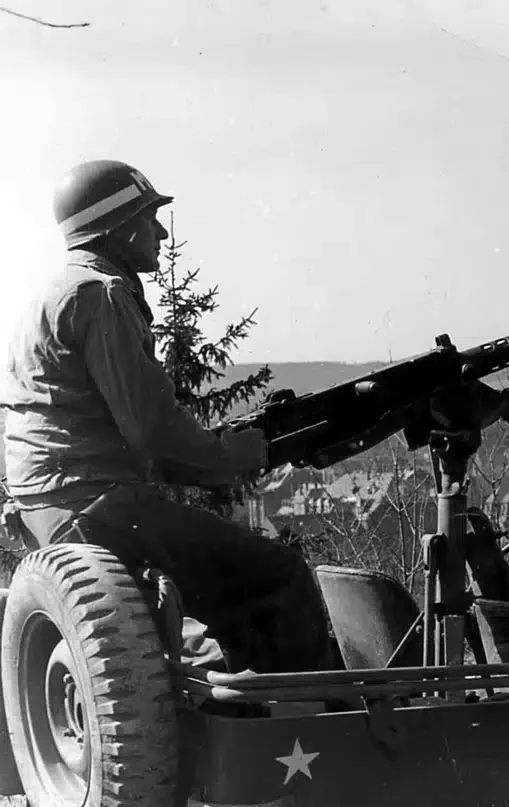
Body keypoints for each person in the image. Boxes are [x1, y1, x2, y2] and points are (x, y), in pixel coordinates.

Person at [1, 159, 332, 673]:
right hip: (97, 505)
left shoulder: (54, 293)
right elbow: (151, 431)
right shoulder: (103, 294)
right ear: (117, 228)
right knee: (279, 574)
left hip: (56, 508)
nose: (158, 231)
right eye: (148, 217)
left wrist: (211, 445)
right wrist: (238, 456)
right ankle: (313, 728)